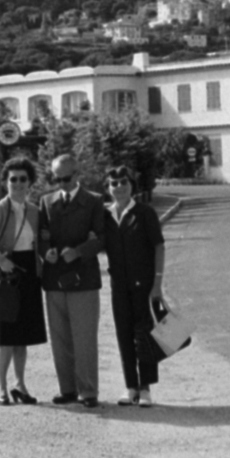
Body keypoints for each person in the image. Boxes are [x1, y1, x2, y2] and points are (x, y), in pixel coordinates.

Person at [0, 156, 47, 406]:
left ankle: (20, 385)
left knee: (23, 336)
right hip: (6, 275)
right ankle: (1, 386)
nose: (18, 183)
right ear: (6, 182)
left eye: (22, 179)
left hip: (28, 275)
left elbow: (42, 242)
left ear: (30, 182)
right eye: (13, 179)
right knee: (6, 337)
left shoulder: (35, 211)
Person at [38, 153, 108, 407]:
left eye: (66, 178)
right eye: (57, 179)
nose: (62, 184)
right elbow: (41, 237)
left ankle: (88, 391)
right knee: (60, 339)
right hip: (55, 279)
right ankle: (67, 389)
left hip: (83, 280)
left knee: (85, 338)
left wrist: (78, 251)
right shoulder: (46, 202)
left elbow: (103, 237)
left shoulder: (94, 201)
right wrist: (46, 251)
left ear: (77, 175)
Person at [102, 165, 166, 407]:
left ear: (132, 185)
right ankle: (130, 387)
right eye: (114, 183)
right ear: (108, 188)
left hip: (144, 285)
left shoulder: (145, 213)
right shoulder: (105, 216)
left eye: (123, 182)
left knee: (145, 335)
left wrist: (157, 283)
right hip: (119, 285)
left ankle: (146, 388)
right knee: (124, 335)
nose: (119, 187)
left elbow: (159, 246)